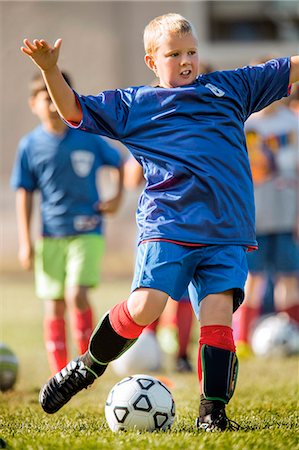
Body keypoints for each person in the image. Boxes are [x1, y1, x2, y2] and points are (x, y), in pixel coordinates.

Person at [20, 13, 299, 431]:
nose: (186, 60)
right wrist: (49, 69)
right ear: (152, 61)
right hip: (168, 227)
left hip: (226, 233)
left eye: (191, 51)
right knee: (145, 306)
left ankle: (213, 414)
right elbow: (74, 109)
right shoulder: (135, 105)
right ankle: (86, 366)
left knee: (218, 314)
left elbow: (289, 67)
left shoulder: (233, 88)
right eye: (174, 54)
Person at [11, 72, 124, 376]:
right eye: (45, 98)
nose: (51, 104)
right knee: (54, 304)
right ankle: (61, 373)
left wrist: (116, 196)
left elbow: (118, 164)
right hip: (50, 236)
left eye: (56, 96)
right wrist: (25, 241)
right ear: (33, 104)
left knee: (77, 295)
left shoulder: (87, 136)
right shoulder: (30, 146)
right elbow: (25, 193)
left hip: (88, 231)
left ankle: (89, 363)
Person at [236, 96, 299, 354]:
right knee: (253, 280)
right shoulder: (244, 124)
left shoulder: (292, 123)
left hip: (286, 215)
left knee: (289, 278)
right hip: (255, 220)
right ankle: (242, 340)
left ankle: (292, 334)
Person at [124, 155, 194, 373]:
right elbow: (132, 179)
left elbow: (131, 179)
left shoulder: (151, 128)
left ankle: (172, 352)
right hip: (167, 224)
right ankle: (154, 349)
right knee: (156, 291)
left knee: (159, 290)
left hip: (170, 224)